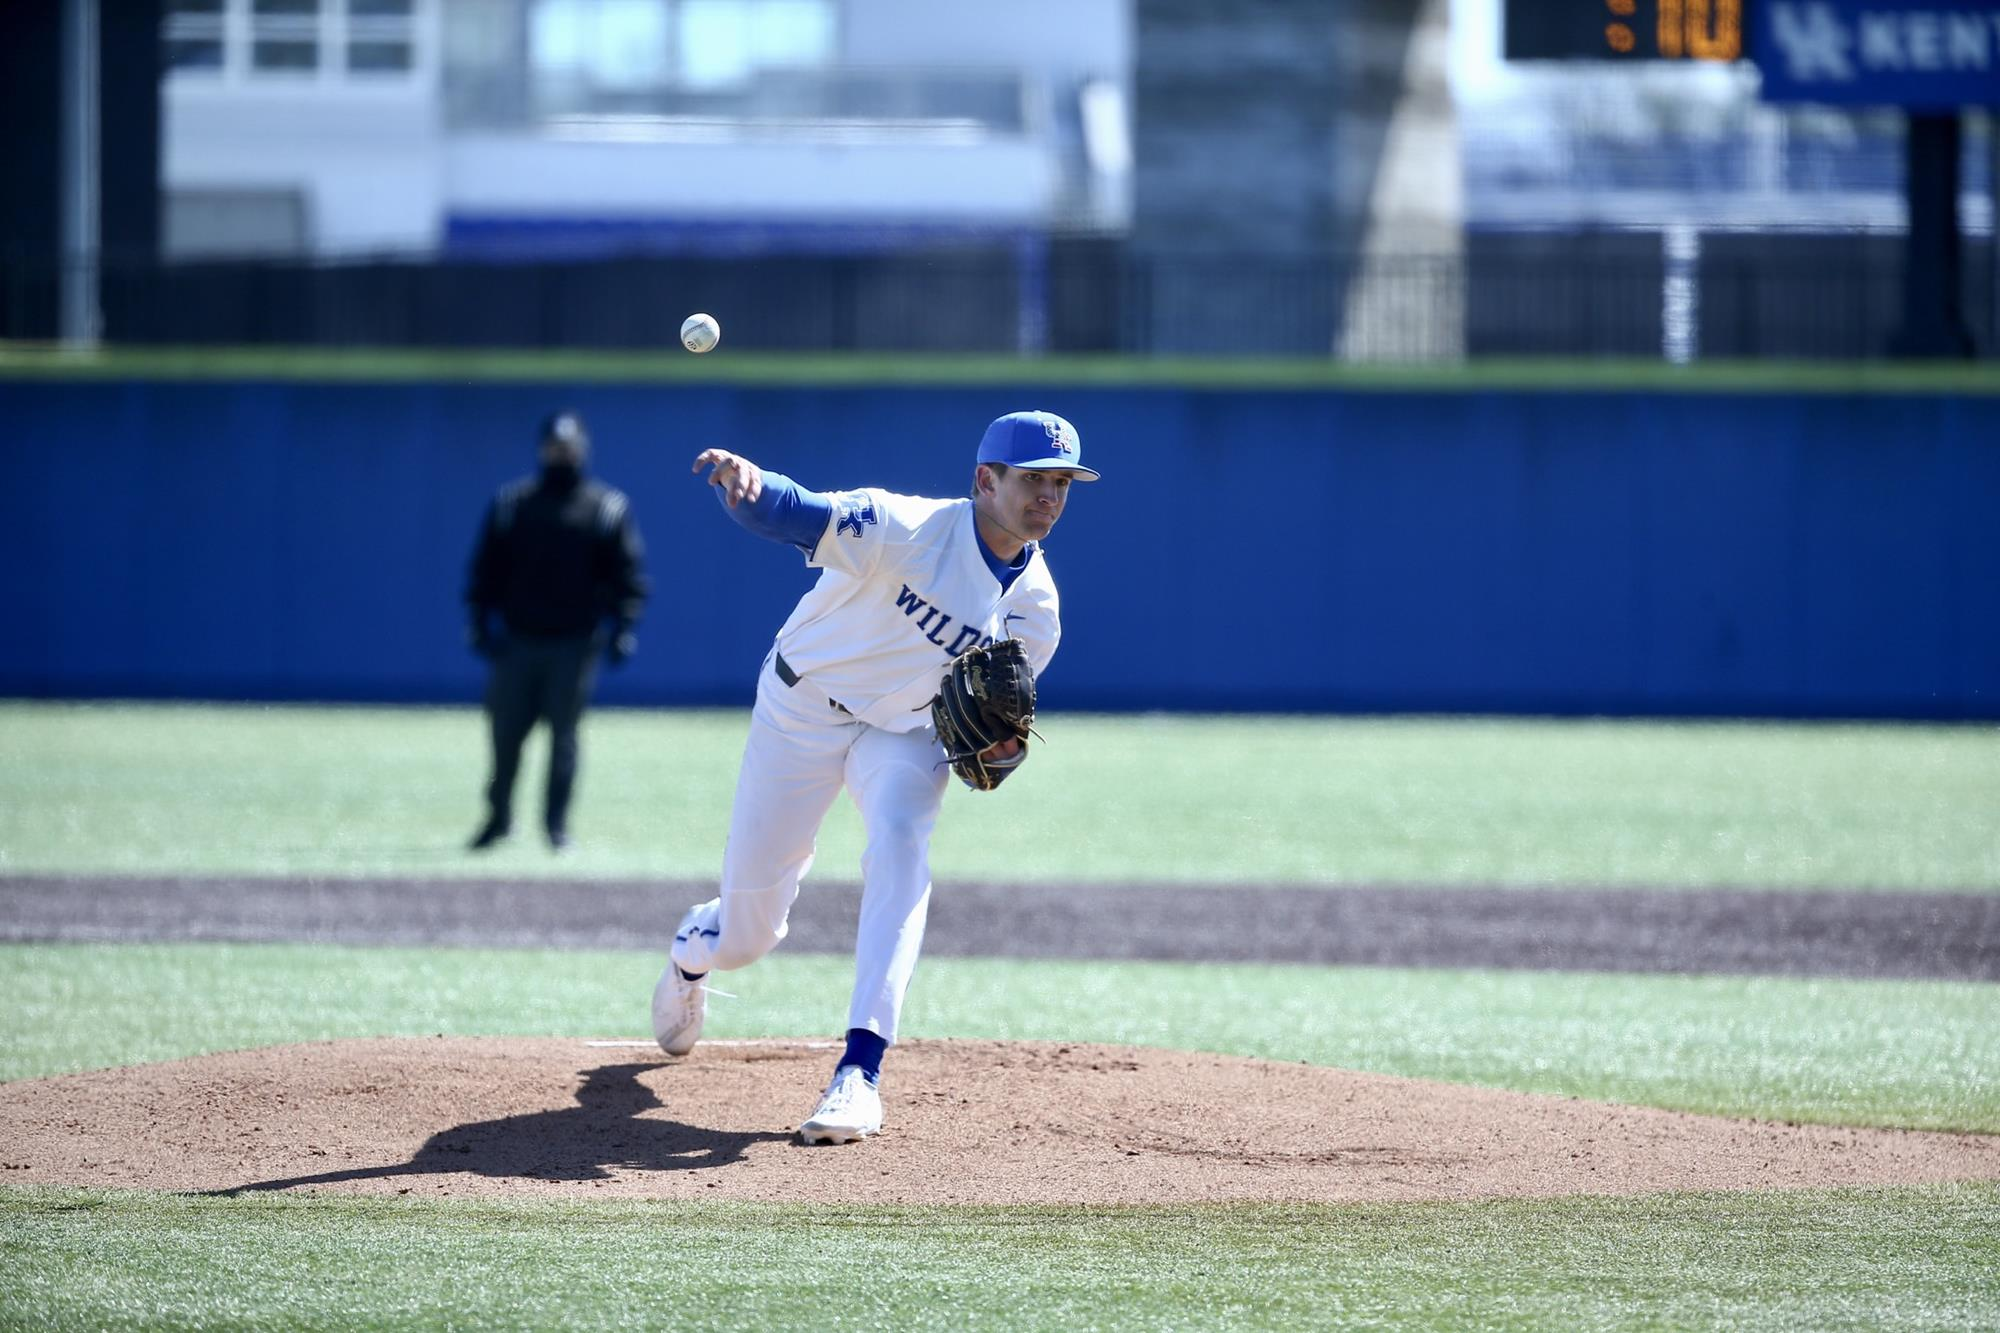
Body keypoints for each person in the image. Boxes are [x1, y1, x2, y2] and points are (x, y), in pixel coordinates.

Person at [652, 409, 1100, 1144]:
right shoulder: (910, 527)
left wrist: (993, 747)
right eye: (1033, 479)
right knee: (748, 934)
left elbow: (992, 727)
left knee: (899, 844)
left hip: (904, 733)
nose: (1048, 495)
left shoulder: (1037, 611)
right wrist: (751, 483)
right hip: (803, 706)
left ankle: (859, 1071)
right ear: (985, 480)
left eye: (1061, 482)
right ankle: (696, 945)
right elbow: (803, 513)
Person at [464, 410, 648, 852]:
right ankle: (498, 818)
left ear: (582, 450)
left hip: (575, 642)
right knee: (505, 735)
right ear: (541, 449)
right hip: (518, 640)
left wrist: (624, 627)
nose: (560, 455)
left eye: (568, 449)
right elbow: (485, 571)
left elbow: (628, 576)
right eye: (553, 448)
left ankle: (556, 825)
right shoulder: (513, 504)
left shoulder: (605, 508)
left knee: (563, 737)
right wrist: (478, 623)